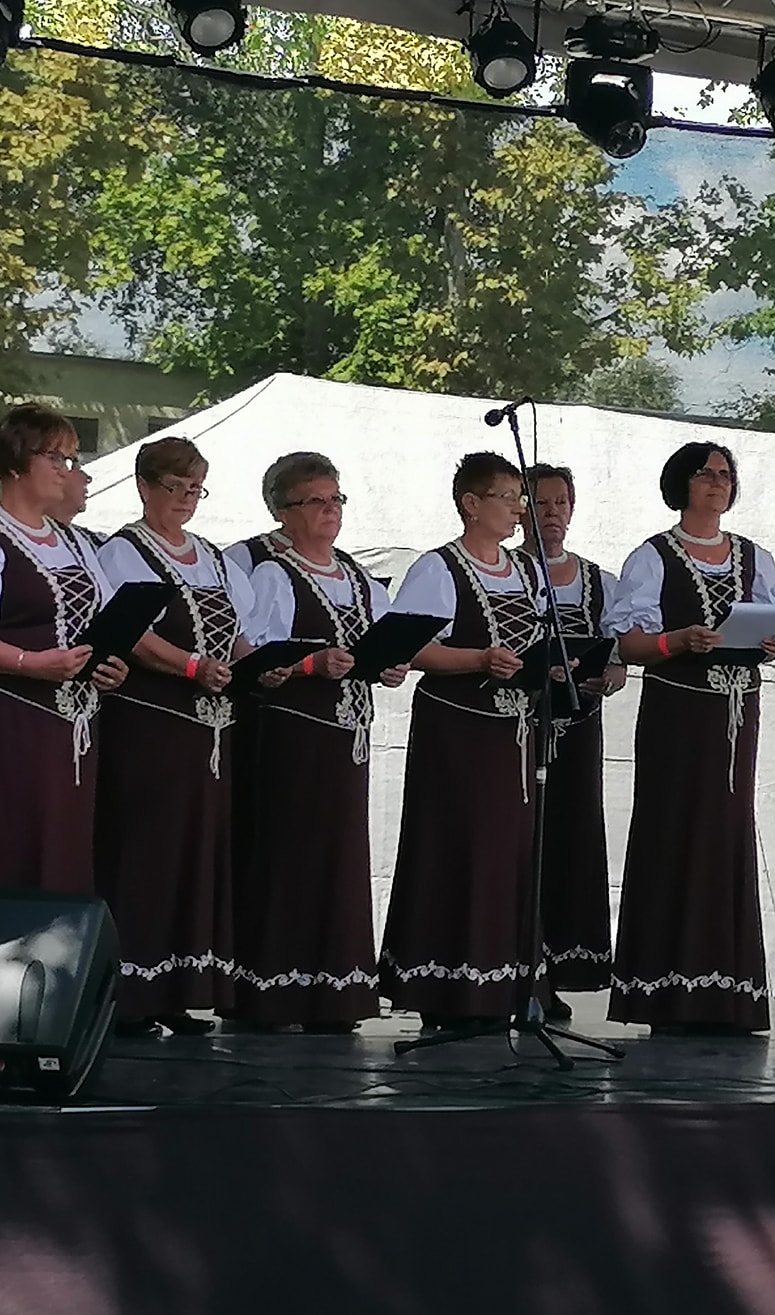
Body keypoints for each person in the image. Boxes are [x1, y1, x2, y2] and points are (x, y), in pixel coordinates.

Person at [605, 442, 775, 1034]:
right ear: (681, 483)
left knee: (726, 836)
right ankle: (664, 994)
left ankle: (725, 993)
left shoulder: (756, 558)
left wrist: (772, 642)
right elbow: (628, 644)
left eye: (726, 475)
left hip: (735, 716)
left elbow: (770, 632)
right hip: (677, 716)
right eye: (705, 474)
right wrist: (676, 641)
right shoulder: (653, 557)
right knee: (673, 834)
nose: (717, 483)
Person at [0, 405, 129, 891]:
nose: (66, 470)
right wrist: (29, 663)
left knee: (60, 848)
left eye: (70, 459)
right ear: (16, 462)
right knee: (2, 844)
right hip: (4, 725)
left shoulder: (74, 543)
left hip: (70, 731)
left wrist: (108, 665)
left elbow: (91, 623)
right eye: (55, 457)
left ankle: (52, 944)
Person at [227, 452, 402, 1034]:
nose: (331, 511)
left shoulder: (355, 575)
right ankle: (275, 992)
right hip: (293, 733)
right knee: (291, 854)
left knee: (340, 856)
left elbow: (384, 638)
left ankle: (334, 993)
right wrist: (310, 665)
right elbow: (254, 655)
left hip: (348, 736)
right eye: (316, 501)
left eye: (336, 500)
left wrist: (387, 663)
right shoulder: (273, 573)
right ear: (284, 511)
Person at [94, 437, 259, 1037]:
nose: (187, 499)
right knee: (147, 850)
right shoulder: (124, 552)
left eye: (196, 489)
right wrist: (191, 667)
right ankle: (129, 992)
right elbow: (133, 634)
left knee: (197, 850)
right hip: (150, 720)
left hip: (209, 730)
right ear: (145, 486)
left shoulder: (213, 557)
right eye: (176, 487)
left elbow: (238, 633)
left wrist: (262, 666)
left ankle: (179, 990)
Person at [378, 453, 547, 1031]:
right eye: (508, 497)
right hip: (458, 731)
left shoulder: (526, 571)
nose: (519, 509)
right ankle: (446, 989)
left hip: (514, 736)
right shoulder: (439, 568)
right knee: (458, 850)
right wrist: (478, 658)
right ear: (471, 504)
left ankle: (502, 986)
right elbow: (409, 647)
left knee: (507, 855)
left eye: (520, 498)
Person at [522, 462, 625, 1020]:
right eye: (541, 503)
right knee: (520, 844)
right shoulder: (506, 571)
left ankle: (554, 974)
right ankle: (512, 971)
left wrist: (606, 676)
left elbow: (619, 660)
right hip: (519, 729)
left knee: (568, 842)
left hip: (579, 731)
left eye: (561, 502)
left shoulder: (598, 581)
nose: (553, 512)